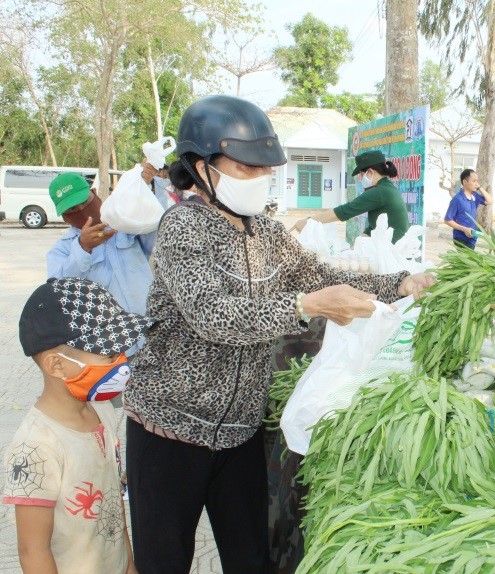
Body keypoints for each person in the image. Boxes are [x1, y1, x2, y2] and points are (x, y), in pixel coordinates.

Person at [123, 94, 434, 574]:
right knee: (163, 563)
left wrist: (401, 283)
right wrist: (302, 308)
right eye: (246, 168)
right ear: (201, 165)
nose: (258, 178)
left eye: (265, 169)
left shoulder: (267, 234)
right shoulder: (183, 226)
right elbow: (213, 314)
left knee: (251, 560)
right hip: (170, 433)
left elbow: (320, 276)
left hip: (240, 434)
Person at [3, 277, 155, 574]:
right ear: (56, 365)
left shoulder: (102, 411)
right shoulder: (36, 445)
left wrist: (129, 565)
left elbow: (112, 504)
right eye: (109, 354)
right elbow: (33, 550)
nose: (122, 362)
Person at [46, 172, 155, 318]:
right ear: (64, 216)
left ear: (94, 194)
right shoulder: (62, 249)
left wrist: (142, 187)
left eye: (85, 202)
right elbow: (59, 292)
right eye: (72, 209)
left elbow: (156, 232)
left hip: (150, 321)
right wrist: (83, 248)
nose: (81, 211)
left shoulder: (124, 224)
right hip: (109, 333)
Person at [291, 150, 410, 243]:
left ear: (370, 172)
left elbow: (344, 211)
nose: (359, 179)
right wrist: (356, 245)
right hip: (392, 250)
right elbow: (375, 226)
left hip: (394, 254)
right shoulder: (386, 188)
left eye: (361, 174)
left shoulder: (379, 192)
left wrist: (309, 222)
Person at [444, 168, 494, 249]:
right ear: (464, 182)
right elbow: (447, 220)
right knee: (468, 260)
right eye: (474, 181)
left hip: (472, 237)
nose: (476, 184)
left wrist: (480, 188)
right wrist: (464, 229)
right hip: (461, 238)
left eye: (477, 181)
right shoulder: (457, 199)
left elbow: (490, 201)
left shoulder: (475, 196)